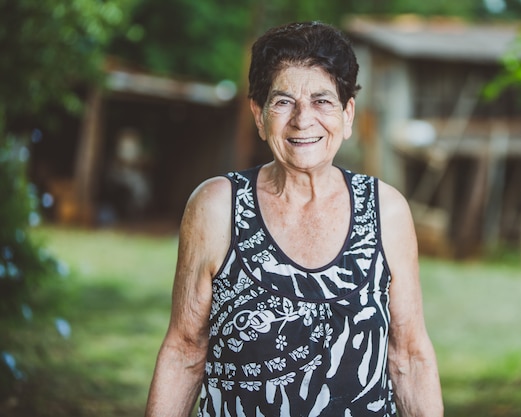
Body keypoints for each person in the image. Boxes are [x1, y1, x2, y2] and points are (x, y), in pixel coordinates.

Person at [145, 21, 443, 417]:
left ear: (347, 115)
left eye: (322, 101)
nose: (303, 119)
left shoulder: (386, 211)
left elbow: (409, 356)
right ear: (259, 114)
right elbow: (184, 349)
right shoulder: (218, 207)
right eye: (284, 101)